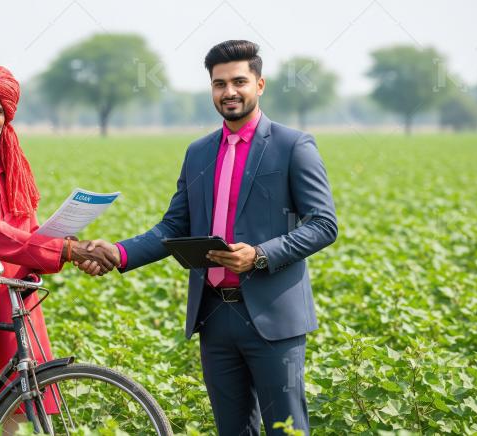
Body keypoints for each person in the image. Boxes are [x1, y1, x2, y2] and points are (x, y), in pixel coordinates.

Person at [83, 41, 337, 434]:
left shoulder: (292, 146)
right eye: (219, 84)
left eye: (239, 81)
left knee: (286, 429)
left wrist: (260, 254)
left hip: (273, 318)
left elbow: (323, 224)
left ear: (260, 84)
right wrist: (118, 252)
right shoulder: (199, 152)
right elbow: (172, 227)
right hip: (216, 317)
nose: (229, 92)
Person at [0, 62, 117, 417]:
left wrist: (70, 247)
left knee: (22, 408)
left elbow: (29, 235)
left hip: (15, 299)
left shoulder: (10, 169)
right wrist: (68, 251)